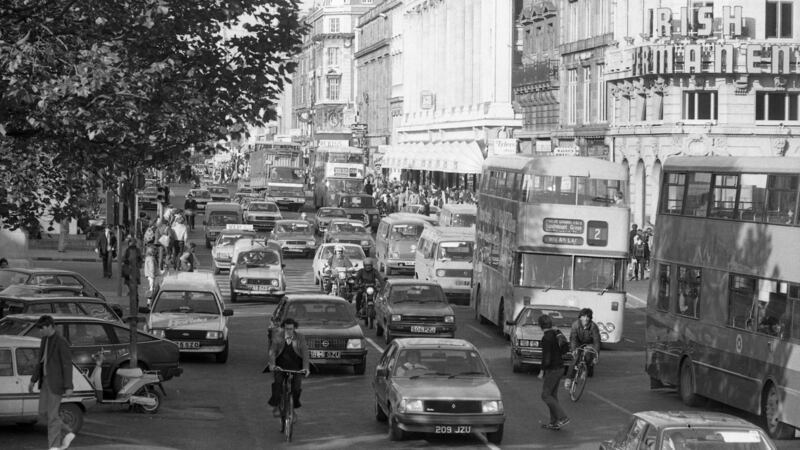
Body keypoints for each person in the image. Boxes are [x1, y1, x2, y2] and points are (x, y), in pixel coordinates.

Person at [29, 315, 76, 450]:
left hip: (56, 383)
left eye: (42, 328)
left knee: (52, 416)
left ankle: (54, 446)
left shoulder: (61, 342)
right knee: (43, 413)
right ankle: (68, 432)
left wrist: (68, 386)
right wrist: (33, 380)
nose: (40, 331)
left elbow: (67, 365)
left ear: (50, 326)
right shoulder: (45, 340)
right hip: (45, 382)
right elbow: (40, 361)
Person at [265, 318, 310, 418]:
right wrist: (272, 365)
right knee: (278, 383)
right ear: (283, 328)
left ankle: (292, 410)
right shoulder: (277, 337)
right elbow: (272, 351)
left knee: (296, 388)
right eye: (286, 329)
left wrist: (306, 368)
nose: (289, 331)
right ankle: (277, 405)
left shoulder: (300, 337)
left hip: (296, 367)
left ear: (294, 328)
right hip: (280, 366)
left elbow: (305, 353)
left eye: (291, 329)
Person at [538, 314, 570, 430]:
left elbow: (546, 357)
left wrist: (542, 371)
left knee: (545, 395)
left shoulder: (546, 338)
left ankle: (562, 417)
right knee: (552, 395)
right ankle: (554, 422)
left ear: (540, 326)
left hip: (553, 369)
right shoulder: (556, 334)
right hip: (561, 367)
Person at [565, 308, 601, 390]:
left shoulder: (593, 326)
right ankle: (568, 379)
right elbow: (573, 338)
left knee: (588, 355)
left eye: (588, 317)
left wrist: (596, 356)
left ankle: (585, 370)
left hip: (589, 343)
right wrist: (574, 349)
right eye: (584, 316)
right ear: (580, 317)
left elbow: (597, 341)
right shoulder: (575, 325)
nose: (586, 319)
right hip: (578, 342)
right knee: (576, 358)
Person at [122, 236, 143, 306]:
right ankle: (134, 303)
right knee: (133, 289)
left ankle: (135, 304)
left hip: (134, 272)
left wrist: (137, 265)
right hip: (129, 273)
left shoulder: (136, 250)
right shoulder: (128, 250)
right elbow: (124, 259)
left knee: (134, 290)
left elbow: (140, 261)